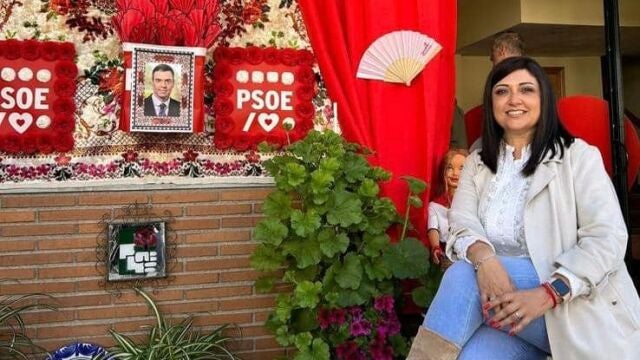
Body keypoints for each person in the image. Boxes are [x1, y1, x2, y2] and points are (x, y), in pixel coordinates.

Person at [408, 56, 640, 359]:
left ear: (543, 98)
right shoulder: (477, 163)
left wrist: (549, 293)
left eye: (526, 89)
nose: (513, 99)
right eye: (502, 91)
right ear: (491, 103)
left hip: (572, 306)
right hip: (500, 304)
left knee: (462, 276)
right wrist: (485, 260)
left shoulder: (578, 157)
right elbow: (462, 219)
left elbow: (607, 237)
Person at [428, 148, 469, 267]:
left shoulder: (475, 202)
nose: (455, 173)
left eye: (462, 168)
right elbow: (433, 228)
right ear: (443, 171)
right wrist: (435, 247)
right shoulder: (435, 205)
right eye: (450, 168)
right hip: (448, 256)